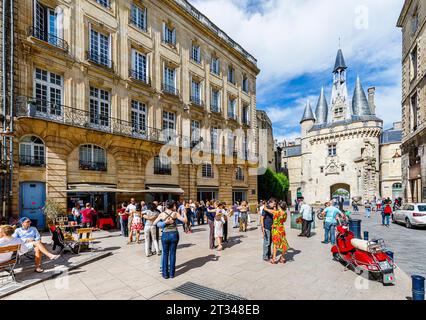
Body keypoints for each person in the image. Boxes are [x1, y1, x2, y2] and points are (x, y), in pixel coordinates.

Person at [153, 200, 187, 279]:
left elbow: (154, 223)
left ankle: (165, 274)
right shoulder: (175, 213)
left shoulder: (161, 214)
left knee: (165, 254)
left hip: (165, 235)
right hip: (174, 234)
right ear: (173, 206)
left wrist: (164, 222)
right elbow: (185, 221)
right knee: (173, 254)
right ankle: (172, 274)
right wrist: (184, 213)